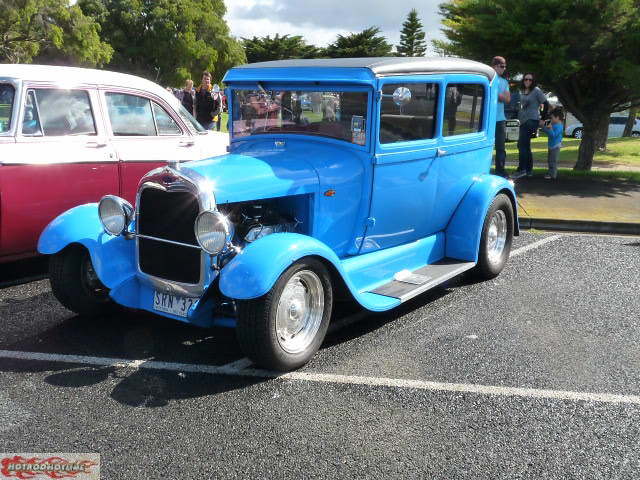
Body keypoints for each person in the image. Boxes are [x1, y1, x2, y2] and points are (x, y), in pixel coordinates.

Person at [513, 73, 549, 178]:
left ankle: (521, 169)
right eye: (526, 79)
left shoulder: (536, 91)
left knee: (521, 145)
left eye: (530, 80)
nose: (527, 81)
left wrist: (542, 118)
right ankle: (528, 170)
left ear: (533, 81)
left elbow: (545, 104)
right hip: (522, 121)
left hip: (531, 121)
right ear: (523, 80)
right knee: (526, 146)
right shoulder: (522, 91)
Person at [491, 56, 510, 178]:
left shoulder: (504, 82)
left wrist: (495, 94)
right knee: (486, 145)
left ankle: (500, 170)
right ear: (495, 66)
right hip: (487, 119)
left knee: (500, 147)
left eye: (505, 66)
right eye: (502, 66)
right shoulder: (488, 78)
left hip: (500, 119)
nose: (504, 69)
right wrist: (500, 96)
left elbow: (508, 99)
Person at [539, 107, 564, 179]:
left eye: (552, 118)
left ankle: (553, 175)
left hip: (556, 146)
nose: (551, 119)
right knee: (550, 160)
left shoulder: (559, 126)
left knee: (553, 161)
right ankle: (550, 173)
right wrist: (543, 126)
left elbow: (553, 135)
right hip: (551, 146)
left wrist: (549, 128)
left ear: (557, 118)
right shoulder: (553, 125)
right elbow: (548, 132)